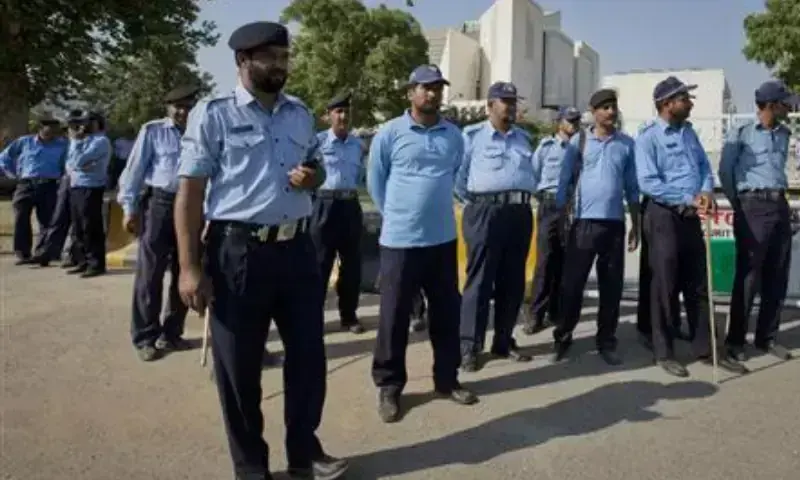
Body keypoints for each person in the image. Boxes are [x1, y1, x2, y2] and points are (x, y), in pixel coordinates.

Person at [174, 21, 348, 480]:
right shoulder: (214, 114)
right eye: (268, 57)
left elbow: (318, 166)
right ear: (242, 61)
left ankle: (303, 452)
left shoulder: (299, 113)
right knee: (239, 372)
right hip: (238, 254)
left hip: (296, 252)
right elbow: (190, 194)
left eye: (284, 56)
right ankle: (252, 468)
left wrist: (315, 177)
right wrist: (189, 268)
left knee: (309, 359)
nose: (279, 65)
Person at [367, 64, 478, 424]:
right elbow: (376, 181)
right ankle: (390, 386)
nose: (432, 94)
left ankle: (447, 380)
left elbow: (457, 174)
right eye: (425, 88)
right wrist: (399, 215)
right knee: (394, 317)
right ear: (410, 92)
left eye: (437, 88)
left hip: (441, 240)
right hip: (399, 242)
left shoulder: (453, 136)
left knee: (446, 314)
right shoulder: (390, 132)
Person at [635, 76, 748, 378]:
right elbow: (648, 182)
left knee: (699, 282)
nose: (690, 103)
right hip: (662, 215)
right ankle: (664, 350)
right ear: (667, 104)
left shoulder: (689, 134)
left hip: (689, 216)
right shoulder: (648, 138)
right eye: (684, 98)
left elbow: (703, 169)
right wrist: (688, 197)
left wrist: (707, 192)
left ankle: (709, 347)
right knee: (664, 284)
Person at [550, 89, 640, 365]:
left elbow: (632, 187)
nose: (610, 112)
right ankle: (563, 336)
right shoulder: (580, 141)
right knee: (572, 285)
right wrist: (562, 216)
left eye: (613, 107)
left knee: (611, 287)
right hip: (583, 224)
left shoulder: (626, 144)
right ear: (593, 111)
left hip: (613, 224)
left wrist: (635, 224)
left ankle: (606, 340)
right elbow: (564, 181)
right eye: (604, 108)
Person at [455, 81, 534, 371]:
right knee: (479, 281)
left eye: (514, 101)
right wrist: (477, 204)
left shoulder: (524, 138)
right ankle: (469, 346)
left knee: (512, 281)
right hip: (485, 212)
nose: (511, 106)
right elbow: (458, 178)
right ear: (490, 105)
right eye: (505, 101)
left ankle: (503, 341)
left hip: (519, 212)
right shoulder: (472, 136)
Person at [117, 85, 199, 361]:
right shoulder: (153, 131)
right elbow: (134, 171)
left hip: (192, 206)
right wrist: (129, 208)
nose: (182, 111)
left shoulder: (202, 131)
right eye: (177, 106)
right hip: (160, 205)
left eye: (188, 106)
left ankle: (172, 333)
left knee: (185, 269)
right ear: (168, 108)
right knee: (150, 272)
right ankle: (145, 336)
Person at [718, 80, 798, 362]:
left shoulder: (785, 134)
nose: (789, 107)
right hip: (752, 205)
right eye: (784, 102)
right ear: (770, 105)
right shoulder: (741, 134)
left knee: (778, 274)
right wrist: (740, 205)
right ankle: (735, 341)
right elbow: (725, 172)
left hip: (779, 204)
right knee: (749, 276)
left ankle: (767, 338)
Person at [522, 106, 582, 335]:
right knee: (545, 260)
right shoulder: (546, 147)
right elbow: (534, 174)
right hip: (549, 205)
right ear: (559, 123)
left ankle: (556, 312)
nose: (573, 125)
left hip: (570, 206)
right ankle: (536, 314)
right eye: (569, 121)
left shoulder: (579, 149)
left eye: (576, 121)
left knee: (565, 261)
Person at [311, 91, 365, 334]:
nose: (343, 116)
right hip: (324, 206)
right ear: (327, 116)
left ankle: (349, 315)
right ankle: (313, 318)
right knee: (320, 265)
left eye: (346, 111)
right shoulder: (317, 143)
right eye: (338, 112)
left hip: (350, 206)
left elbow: (362, 178)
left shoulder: (358, 145)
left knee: (352, 266)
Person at [0, 118, 67, 265]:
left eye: (54, 130)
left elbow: (67, 164)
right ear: (41, 128)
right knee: (21, 218)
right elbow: (4, 158)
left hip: (49, 185)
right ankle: (23, 254)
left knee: (47, 220)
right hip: (26, 184)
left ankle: (42, 253)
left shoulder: (62, 145)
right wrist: (11, 174)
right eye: (48, 129)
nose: (52, 133)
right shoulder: (25, 142)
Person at [65, 111, 111, 277]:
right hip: (76, 185)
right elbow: (70, 163)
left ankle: (96, 263)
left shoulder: (101, 141)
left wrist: (77, 145)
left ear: (96, 123)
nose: (82, 126)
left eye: (86, 122)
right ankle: (82, 260)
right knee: (78, 226)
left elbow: (78, 161)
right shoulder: (81, 140)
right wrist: (77, 148)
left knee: (90, 226)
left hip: (91, 187)